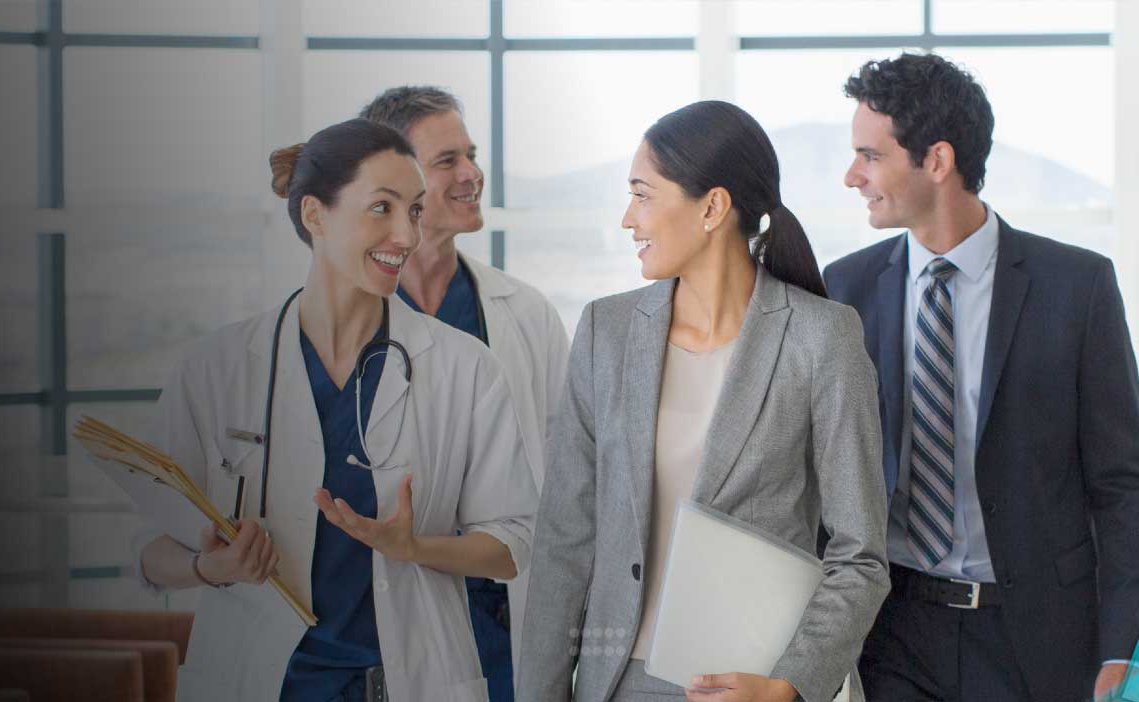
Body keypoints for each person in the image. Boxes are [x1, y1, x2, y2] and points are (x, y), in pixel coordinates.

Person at [132, 118, 538, 701]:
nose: (406, 234)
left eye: (416, 211)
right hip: (260, 682)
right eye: (382, 208)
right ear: (315, 215)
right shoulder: (218, 367)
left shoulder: (463, 366)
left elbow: (512, 542)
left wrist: (415, 548)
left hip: (412, 682)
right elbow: (149, 549)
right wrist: (209, 569)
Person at [516, 101, 889, 702]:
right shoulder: (603, 333)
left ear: (712, 207)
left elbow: (860, 555)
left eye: (642, 195)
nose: (626, 218)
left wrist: (787, 685)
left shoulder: (822, 338)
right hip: (617, 685)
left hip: (751, 685)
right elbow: (565, 542)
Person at [821, 51, 1139, 702]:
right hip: (894, 632)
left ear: (936, 162)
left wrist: (1120, 645)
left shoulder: (1077, 288)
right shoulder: (845, 289)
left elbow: (1121, 484)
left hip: (1039, 636)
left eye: (871, 155)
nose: (852, 175)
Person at [360, 85, 571, 702]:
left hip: (503, 611)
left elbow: (566, 470)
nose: (471, 174)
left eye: (470, 155)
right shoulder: (352, 317)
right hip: (390, 611)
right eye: (447, 160)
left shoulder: (524, 313)